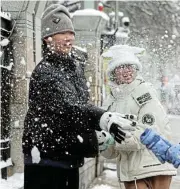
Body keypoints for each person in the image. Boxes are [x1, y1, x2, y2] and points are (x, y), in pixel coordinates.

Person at [22, 4, 134, 189]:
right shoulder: (44, 73)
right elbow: (70, 108)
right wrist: (102, 117)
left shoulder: (73, 68)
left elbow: (80, 107)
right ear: (47, 38)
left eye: (71, 33)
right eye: (63, 33)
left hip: (68, 157)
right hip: (45, 161)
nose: (69, 38)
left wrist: (96, 133)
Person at [99, 45, 177, 189]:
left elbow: (148, 131)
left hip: (154, 167)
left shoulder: (144, 92)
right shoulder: (110, 101)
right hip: (131, 171)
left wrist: (115, 139)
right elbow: (112, 152)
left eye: (131, 66)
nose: (127, 71)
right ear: (113, 72)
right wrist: (103, 143)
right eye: (121, 67)